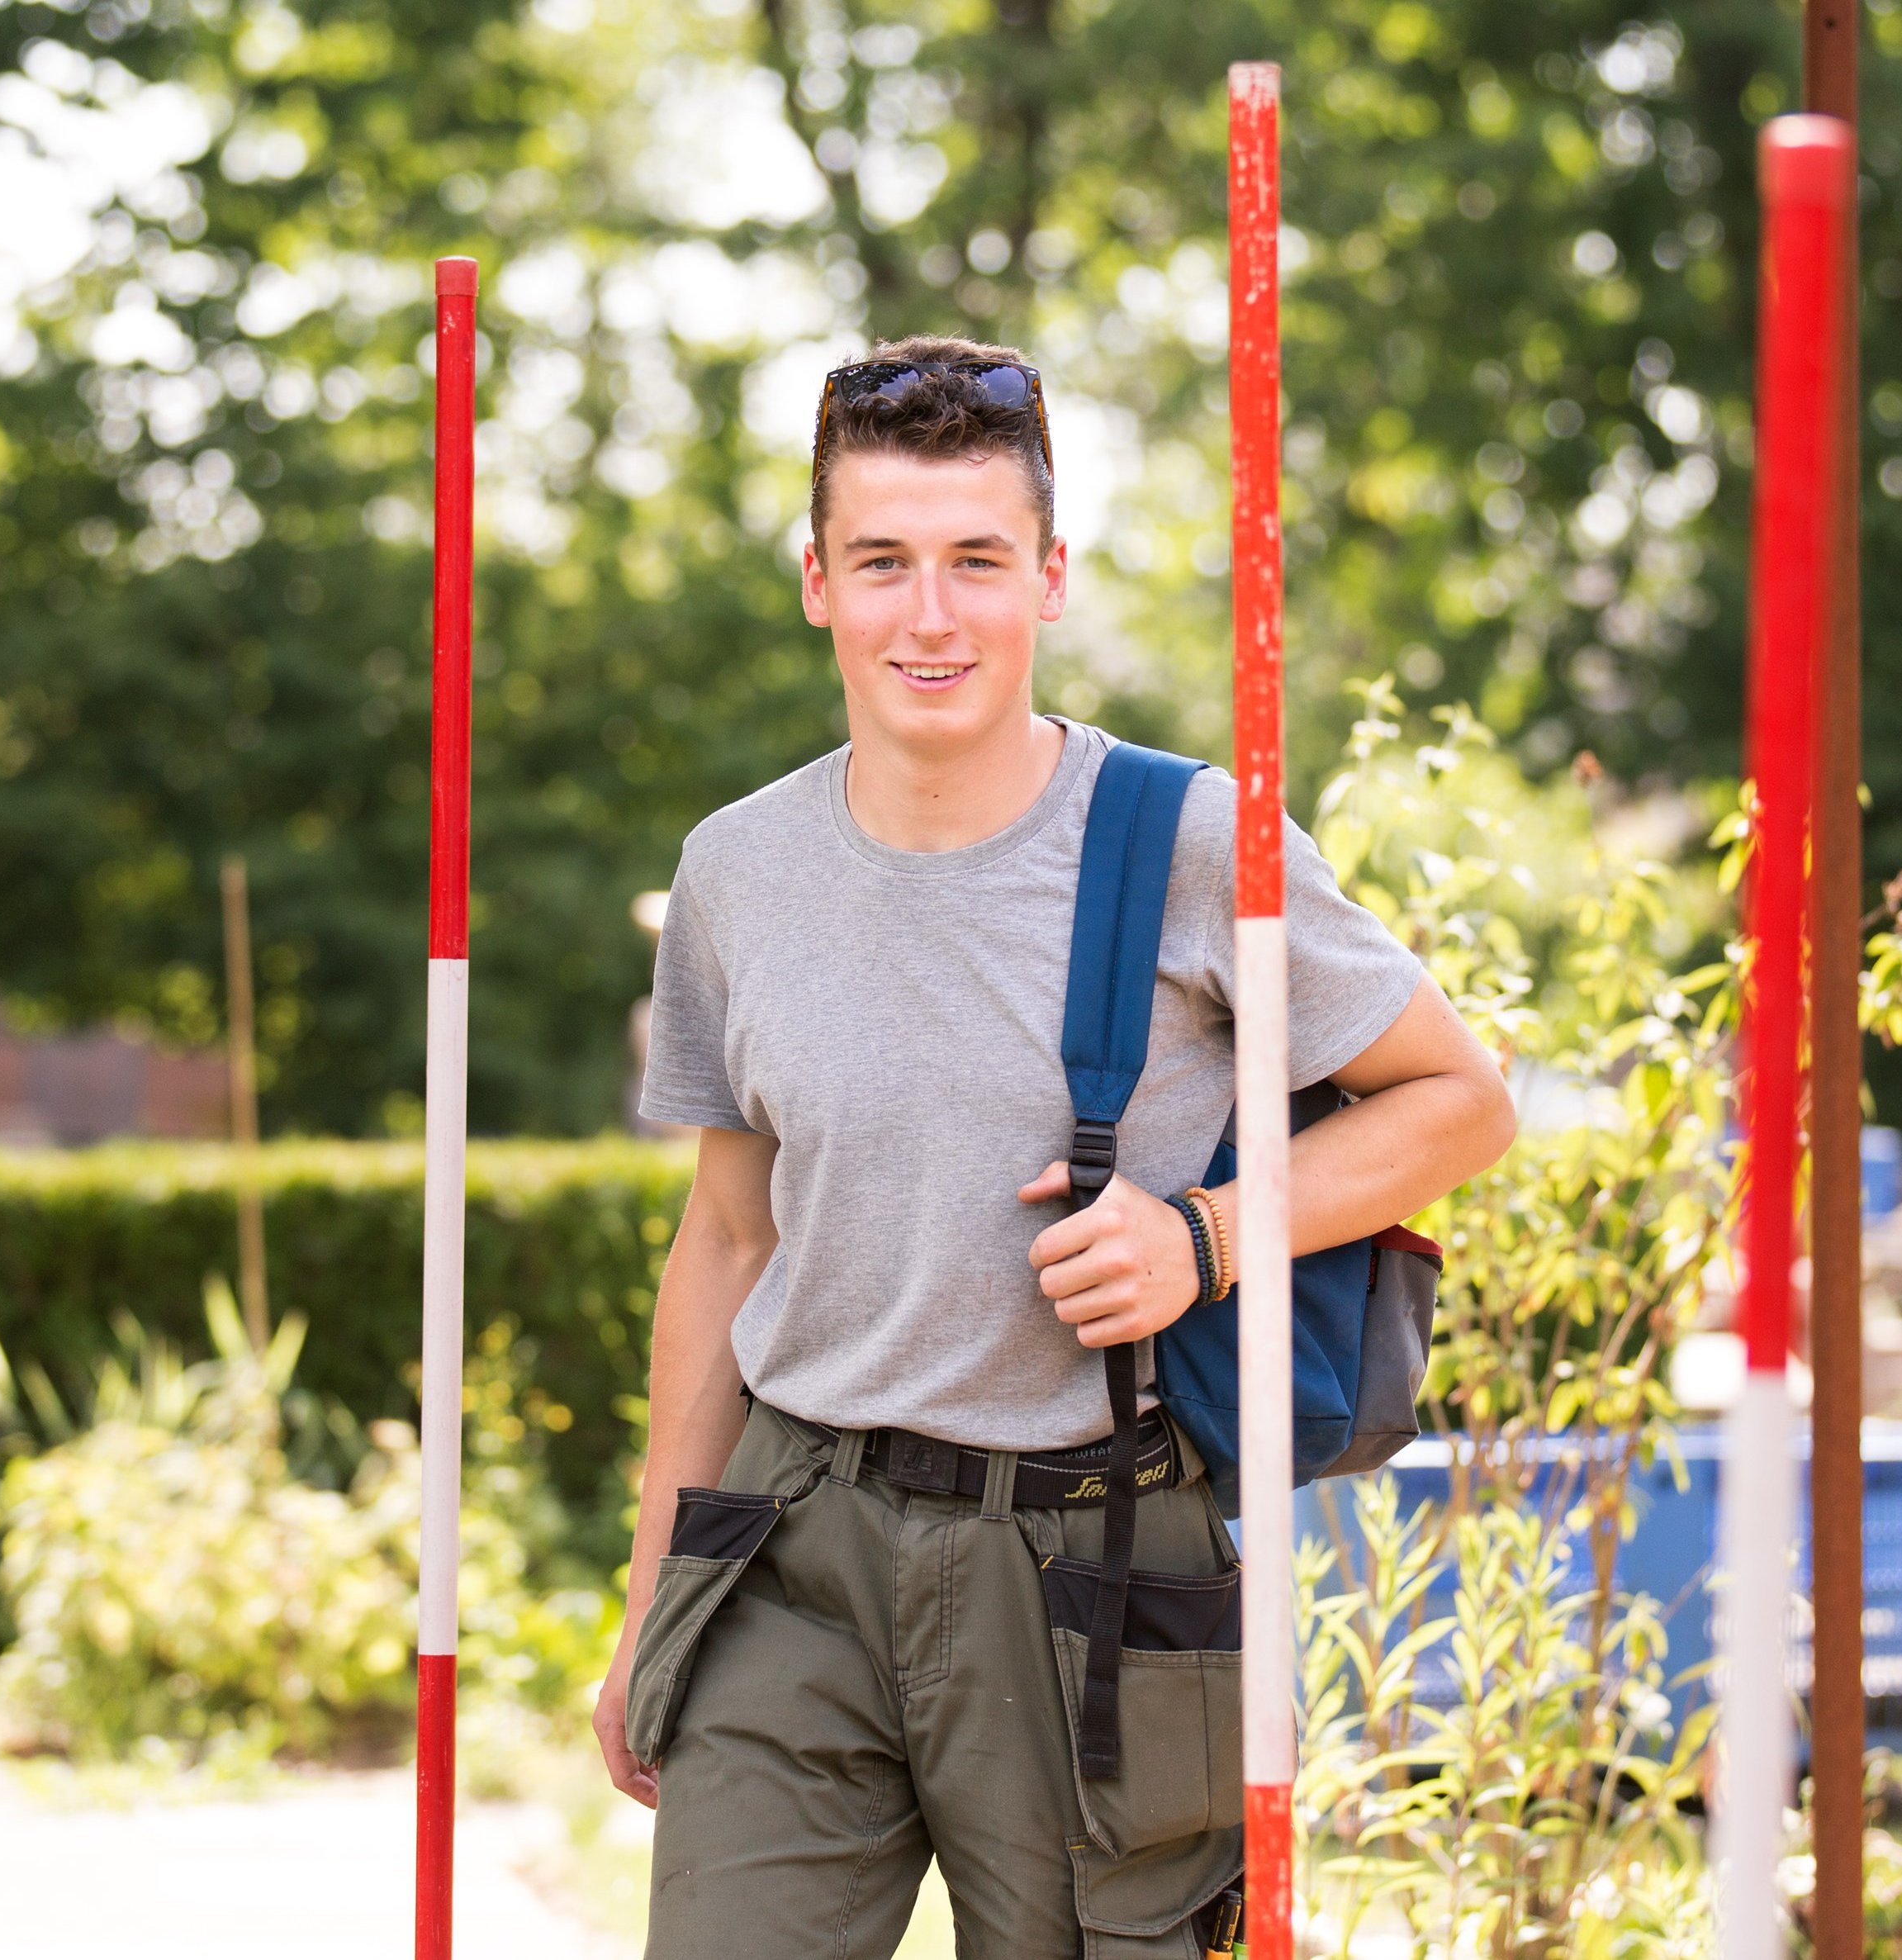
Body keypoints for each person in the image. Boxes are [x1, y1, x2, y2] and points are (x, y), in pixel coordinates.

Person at [593, 335, 1519, 1959]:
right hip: (792, 1540)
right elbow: (729, 1238)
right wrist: (651, 1589)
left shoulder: (1186, 839)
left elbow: (1459, 1100)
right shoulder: (735, 871)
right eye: (881, 560)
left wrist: (1201, 1236)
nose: (929, 615)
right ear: (816, 582)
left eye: (976, 559)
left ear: (1050, 576)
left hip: (1086, 1562)